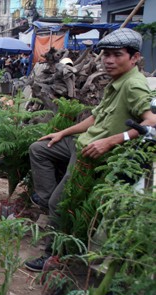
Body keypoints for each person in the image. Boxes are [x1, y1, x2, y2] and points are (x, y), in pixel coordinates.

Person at [25, 28, 156, 272]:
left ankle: (54, 254)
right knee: (40, 149)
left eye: (117, 55)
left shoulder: (134, 85)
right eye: (106, 54)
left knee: (60, 203)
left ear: (135, 58)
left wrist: (112, 141)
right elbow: (95, 118)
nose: (108, 60)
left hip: (94, 154)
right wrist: (63, 132)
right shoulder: (117, 81)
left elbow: (151, 122)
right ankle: (45, 199)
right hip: (81, 143)